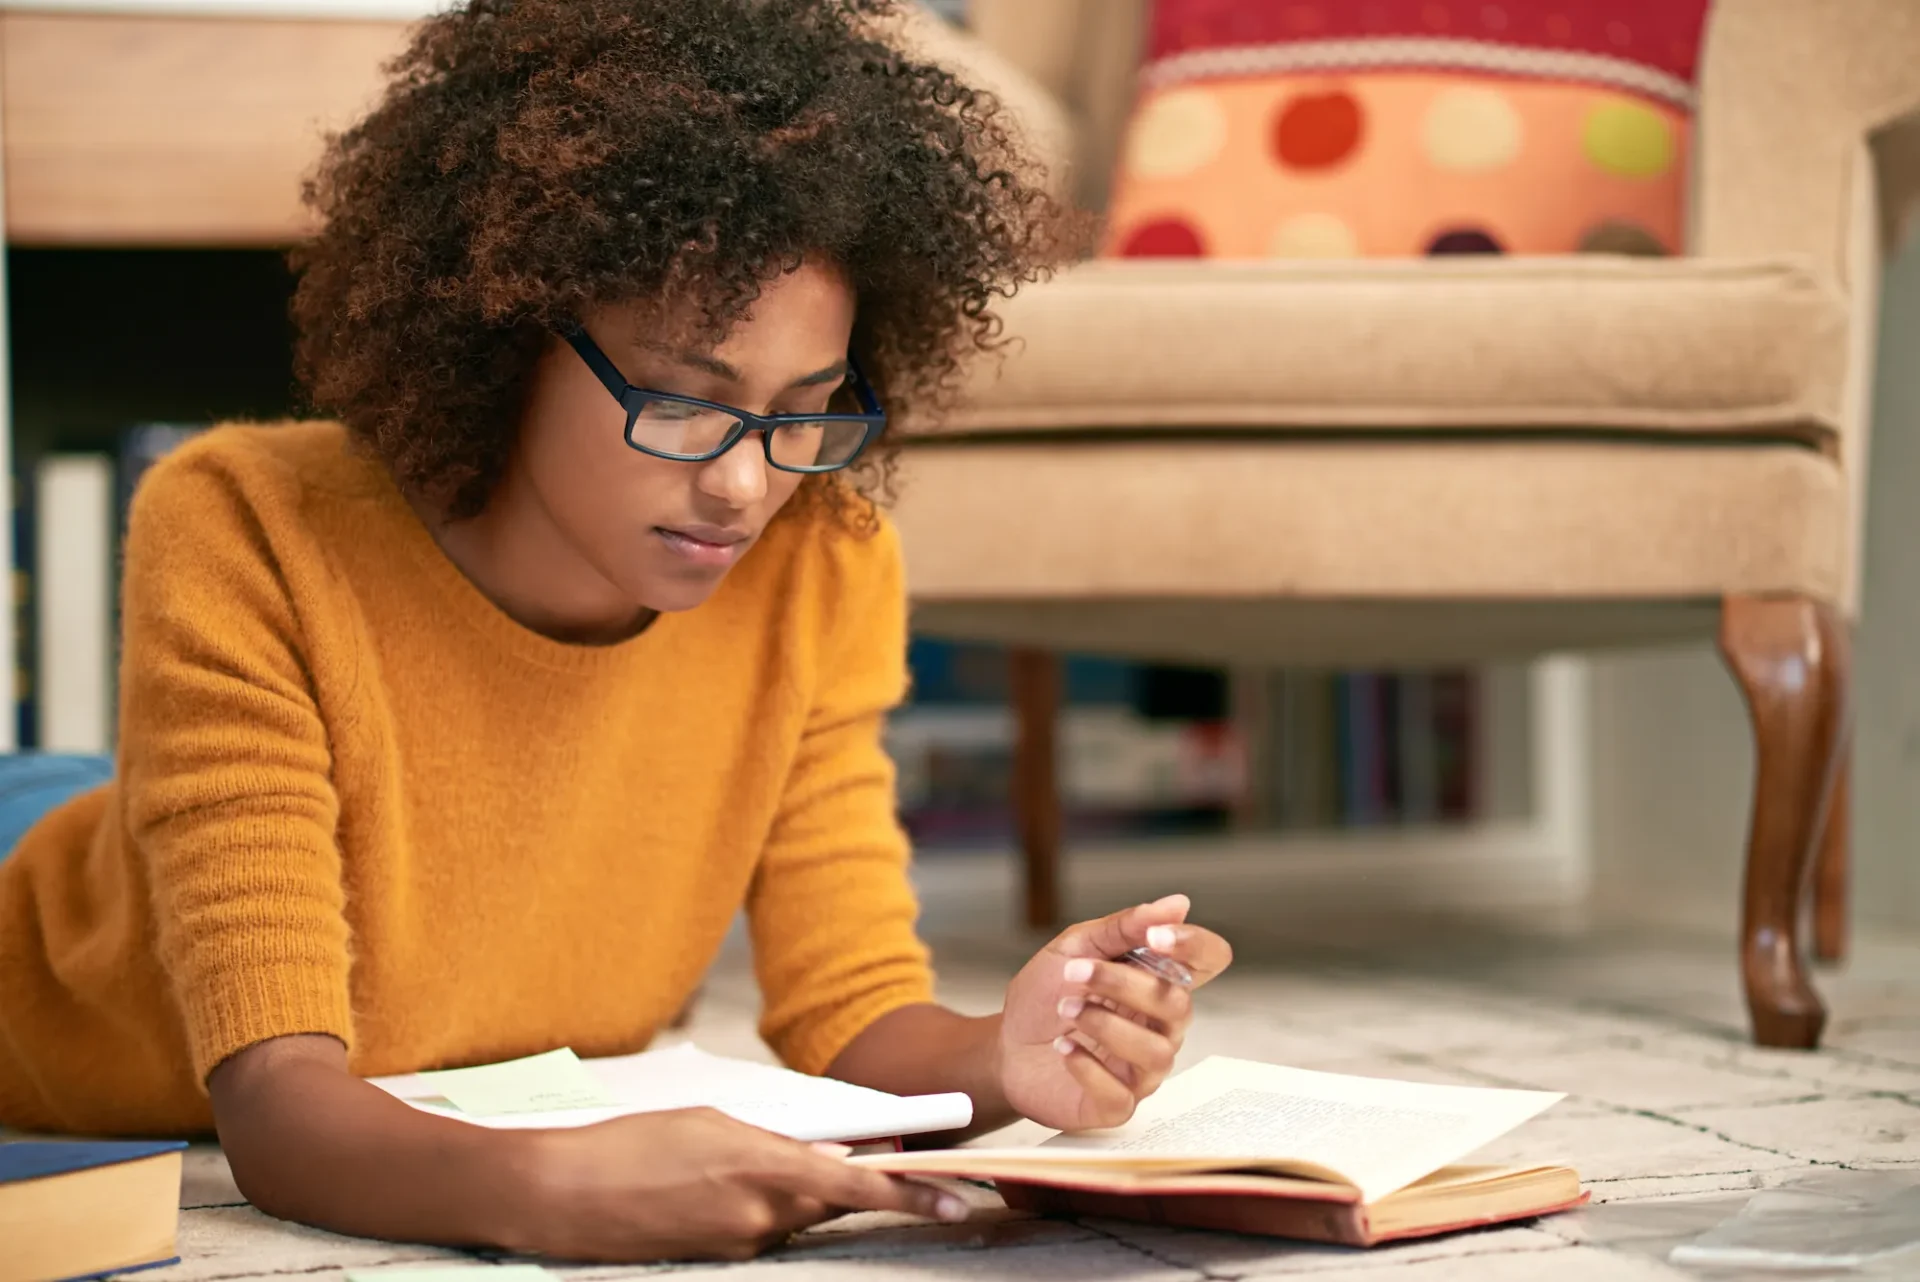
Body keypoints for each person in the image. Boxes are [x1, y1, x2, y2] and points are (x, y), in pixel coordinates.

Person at [0, 0, 1233, 1263]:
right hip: (37, 910)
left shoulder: (819, 572)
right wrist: (544, 1190)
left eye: (803, 412)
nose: (748, 486)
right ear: (507, 328)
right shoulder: (249, 525)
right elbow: (277, 1112)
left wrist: (1009, 1053)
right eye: (687, 402)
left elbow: (855, 1007)